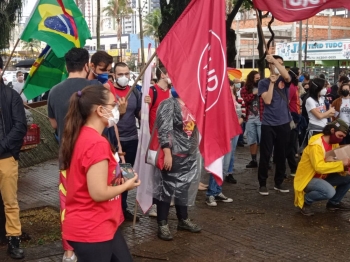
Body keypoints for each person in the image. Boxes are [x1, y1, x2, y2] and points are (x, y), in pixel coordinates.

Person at [60, 85, 140, 261]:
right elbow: (98, 192)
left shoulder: (85, 135)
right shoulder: (96, 142)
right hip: (92, 228)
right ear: (100, 110)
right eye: (114, 105)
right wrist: (127, 185)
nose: (117, 109)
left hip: (102, 224)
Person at [154, 87, 201, 241]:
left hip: (189, 154)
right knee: (166, 189)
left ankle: (183, 220)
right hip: (173, 155)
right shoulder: (168, 104)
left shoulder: (193, 104)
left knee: (184, 188)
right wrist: (167, 152)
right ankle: (162, 224)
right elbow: (164, 129)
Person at [294, 119, 350, 216]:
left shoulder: (333, 143)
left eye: (343, 137)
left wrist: (345, 168)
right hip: (308, 178)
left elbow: (334, 162)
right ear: (332, 130)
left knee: (348, 177)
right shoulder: (316, 145)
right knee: (329, 192)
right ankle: (306, 202)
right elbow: (319, 167)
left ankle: (333, 203)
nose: (341, 139)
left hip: (323, 177)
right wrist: (341, 164)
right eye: (340, 136)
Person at [0, 56, 26, 259]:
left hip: (6, 157)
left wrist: (3, 146)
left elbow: (19, 127)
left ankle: (14, 239)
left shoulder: (11, 96)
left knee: (10, 202)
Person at [257, 54, 292, 196]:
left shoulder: (285, 80)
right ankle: (263, 184)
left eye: (282, 64)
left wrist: (275, 62)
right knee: (265, 154)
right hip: (268, 124)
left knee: (281, 154)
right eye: (277, 63)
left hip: (284, 123)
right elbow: (267, 101)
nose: (280, 66)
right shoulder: (263, 83)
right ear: (269, 65)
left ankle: (279, 182)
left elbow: (287, 75)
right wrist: (271, 83)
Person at [113, 62, 141, 221]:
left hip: (132, 140)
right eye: (120, 74)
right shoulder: (108, 91)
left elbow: (139, 114)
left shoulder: (135, 92)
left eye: (126, 74)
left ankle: (123, 208)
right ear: (114, 75)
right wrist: (120, 113)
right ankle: (114, 209)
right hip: (115, 143)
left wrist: (146, 104)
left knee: (127, 175)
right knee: (114, 176)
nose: (124, 77)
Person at [144, 66, 171, 217]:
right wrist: (145, 102)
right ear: (162, 74)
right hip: (156, 141)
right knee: (156, 175)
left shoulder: (172, 92)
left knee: (167, 173)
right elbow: (143, 114)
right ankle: (154, 204)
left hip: (171, 140)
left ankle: (165, 201)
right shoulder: (152, 91)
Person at [303, 78, 335, 144]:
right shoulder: (309, 100)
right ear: (317, 88)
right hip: (315, 130)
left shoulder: (322, 98)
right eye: (323, 87)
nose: (325, 89)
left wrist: (325, 113)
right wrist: (328, 112)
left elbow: (331, 114)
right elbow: (319, 116)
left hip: (325, 128)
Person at [241, 70, 261, 168]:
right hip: (250, 117)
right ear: (251, 79)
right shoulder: (245, 89)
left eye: (259, 78)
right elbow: (245, 100)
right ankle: (253, 160)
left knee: (264, 140)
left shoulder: (263, 88)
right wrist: (254, 93)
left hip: (261, 117)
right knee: (252, 140)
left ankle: (266, 160)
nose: (258, 80)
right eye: (256, 78)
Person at [286, 68, 302, 176]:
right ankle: (293, 168)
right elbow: (286, 103)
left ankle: (293, 167)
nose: (300, 77)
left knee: (292, 144)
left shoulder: (295, 87)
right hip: (292, 117)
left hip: (296, 116)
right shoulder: (291, 87)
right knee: (290, 145)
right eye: (299, 74)